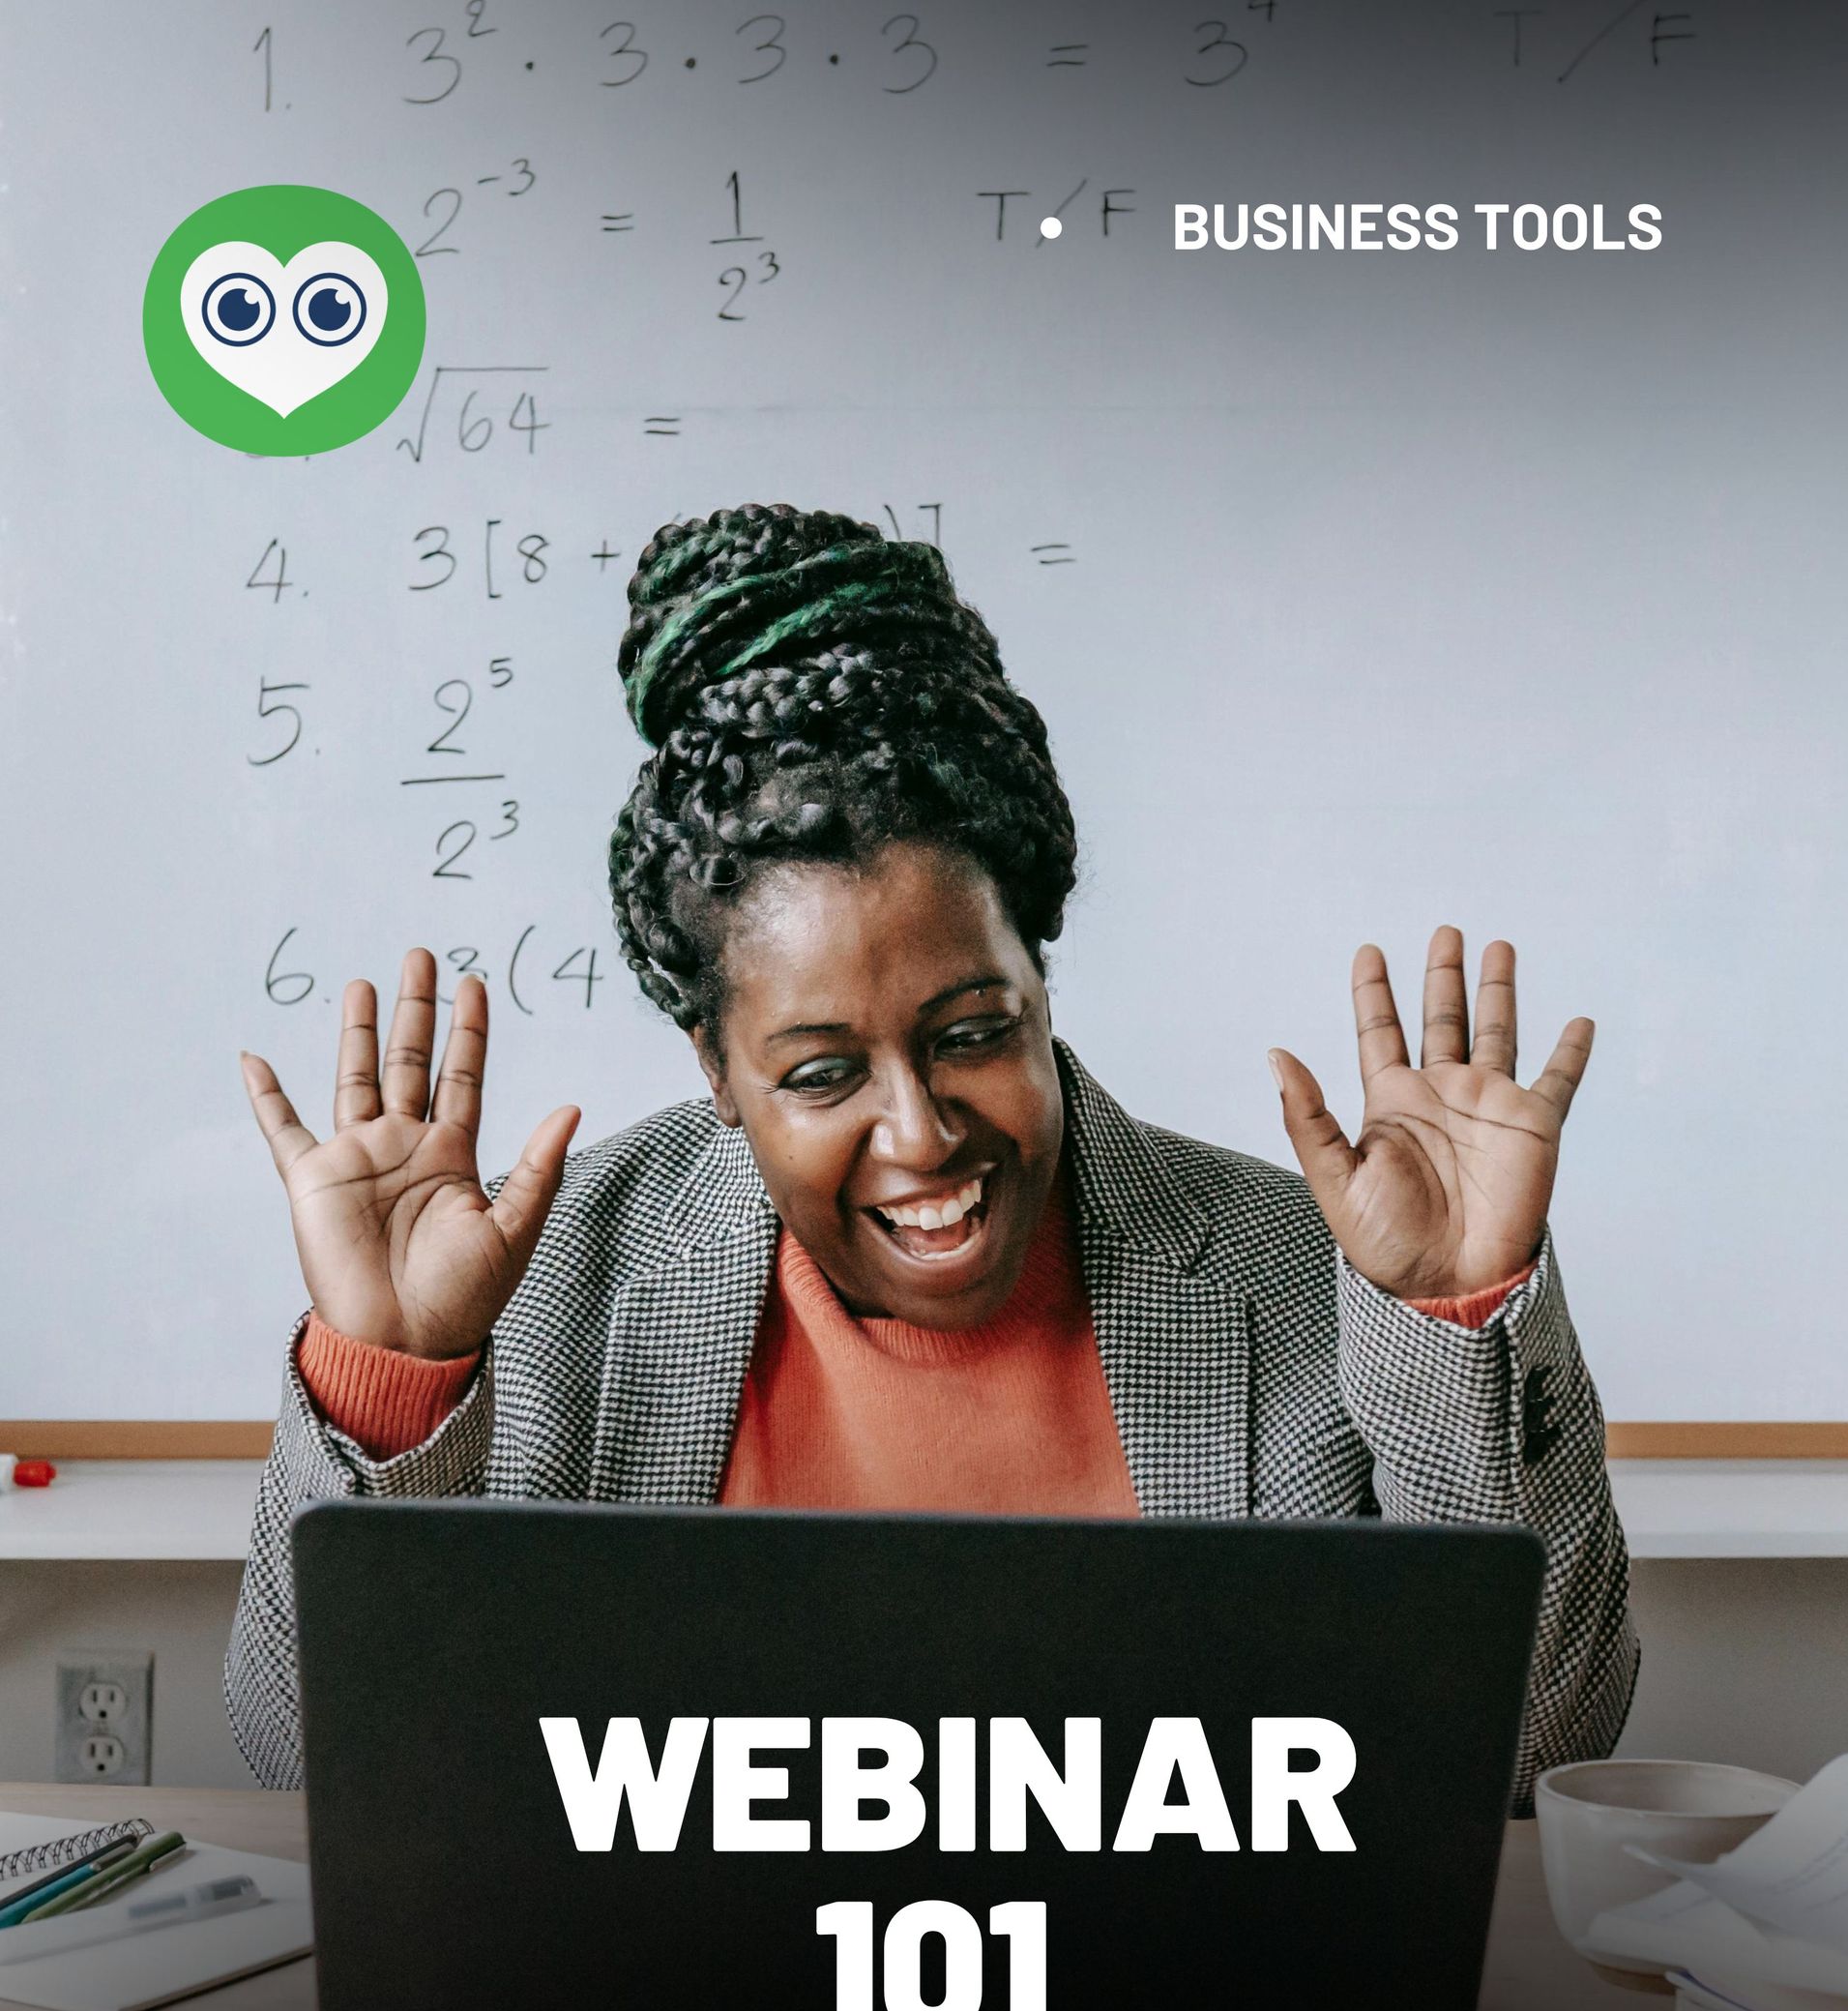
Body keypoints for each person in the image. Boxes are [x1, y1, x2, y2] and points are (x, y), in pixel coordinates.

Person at [226, 502, 1634, 1800]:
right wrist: (394, 1387)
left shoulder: (1304, 1278)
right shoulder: (544, 1295)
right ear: (717, 1070)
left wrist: (1454, 1321)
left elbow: (1530, 1760)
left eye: (970, 1033)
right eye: (825, 1072)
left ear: (1039, 982)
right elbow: (312, 1770)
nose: (919, 1133)